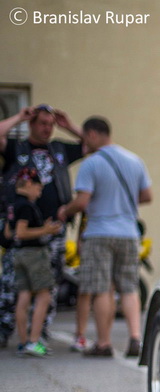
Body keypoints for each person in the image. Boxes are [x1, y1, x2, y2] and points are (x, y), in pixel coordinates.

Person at [57, 116, 151, 358]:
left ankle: (104, 343)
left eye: (85, 138)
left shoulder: (92, 164)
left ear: (92, 135)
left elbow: (82, 201)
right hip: (128, 233)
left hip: (99, 232)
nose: (83, 144)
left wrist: (65, 211)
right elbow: (147, 196)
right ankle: (135, 338)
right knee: (129, 288)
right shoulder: (134, 160)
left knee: (101, 289)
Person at [0, 104, 84, 349]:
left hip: (53, 231)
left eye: (50, 124)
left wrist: (69, 126)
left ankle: (39, 332)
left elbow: (93, 145)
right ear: (32, 124)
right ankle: (5, 330)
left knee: (49, 284)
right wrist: (18, 117)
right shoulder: (17, 147)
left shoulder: (59, 149)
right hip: (19, 230)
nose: (47, 129)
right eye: (42, 123)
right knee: (12, 284)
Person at [9, 168, 62, 356]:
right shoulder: (26, 206)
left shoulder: (13, 205)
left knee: (23, 295)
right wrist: (46, 230)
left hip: (19, 253)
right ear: (29, 184)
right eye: (39, 189)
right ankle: (33, 340)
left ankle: (24, 342)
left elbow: (9, 233)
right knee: (44, 295)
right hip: (33, 254)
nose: (39, 194)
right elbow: (21, 232)